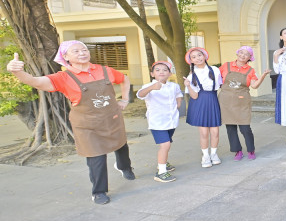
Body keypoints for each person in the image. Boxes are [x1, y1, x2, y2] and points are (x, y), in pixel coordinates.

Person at [6, 42, 135, 205]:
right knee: (96, 156)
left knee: (121, 144)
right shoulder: (63, 77)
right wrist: (18, 73)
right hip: (87, 125)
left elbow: (124, 79)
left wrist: (124, 99)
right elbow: (36, 82)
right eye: (76, 51)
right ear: (65, 57)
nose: (82, 53)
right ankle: (99, 191)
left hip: (112, 118)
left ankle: (124, 167)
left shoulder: (105, 70)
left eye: (84, 50)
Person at [219, 46, 270, 160]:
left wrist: (263, 76)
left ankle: (251, 150)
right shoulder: (226, 66)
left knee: (245, 128)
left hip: (242, 102)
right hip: (226, 101)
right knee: (230, 127)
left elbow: (254, 85)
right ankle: (237, 151)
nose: (243, 55)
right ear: (237, 53)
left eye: (246, 54)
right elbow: (215, 79)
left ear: (249, 58)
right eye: (241, 52)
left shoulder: (250, 70)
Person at [137, 60, 182, 182]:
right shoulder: (148, 86)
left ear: (170, 74)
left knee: (167, 145)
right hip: (157, 122)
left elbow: (179, 94)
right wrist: (152, 87)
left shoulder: (174, 86)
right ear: (152, 74)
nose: (161, 72)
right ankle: (161, 172)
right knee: (165, 145)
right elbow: (140, 95)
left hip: (172, 121)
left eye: (164, 70)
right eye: (157, 70)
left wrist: (178, 104)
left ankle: (163, 163)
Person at [184, 46, 223, 168]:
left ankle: (214, 154)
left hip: (212, 100)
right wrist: (188, 86)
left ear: (205, 56)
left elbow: (219, 87)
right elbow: (194, 96)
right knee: (204, 133)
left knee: (215, 131)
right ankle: (205, 156)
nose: (197, 58)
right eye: (193, 57)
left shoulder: (215, 70)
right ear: (191, 61)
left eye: (199, 55)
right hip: (199, 102)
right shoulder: (191, 76)